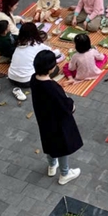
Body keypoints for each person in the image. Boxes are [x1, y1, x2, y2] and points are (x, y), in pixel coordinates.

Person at [30, 50, 83, 185]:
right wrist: (72, 104)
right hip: (58, 122)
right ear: (50, 68)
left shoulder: (33, 79)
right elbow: (65, 105)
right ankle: (65, 173)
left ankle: (52, 165)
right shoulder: (52, 87)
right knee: (62, 146)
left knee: (49, 142)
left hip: (44, 119)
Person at [8, 22, 63, 88]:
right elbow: (53, 54)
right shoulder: (38, 45)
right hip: (27, 81)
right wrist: (58, 51)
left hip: (11, 77)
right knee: (55, 68)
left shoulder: (18, 44)